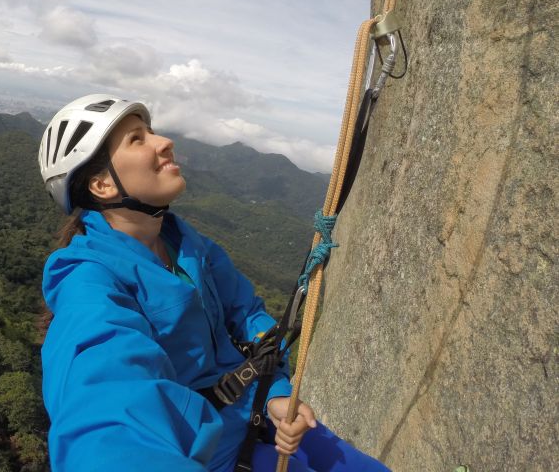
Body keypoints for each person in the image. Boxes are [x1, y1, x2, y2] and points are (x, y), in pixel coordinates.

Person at [39, 95, 390, 472]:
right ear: (103, 185)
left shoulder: (187, 245)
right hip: (212, 455)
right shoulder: (88, 279)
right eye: (137, 139)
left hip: (257, 414)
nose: (163, 142)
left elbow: (246, 314)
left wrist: (275, 394)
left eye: (151, 132)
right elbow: (102, 406)